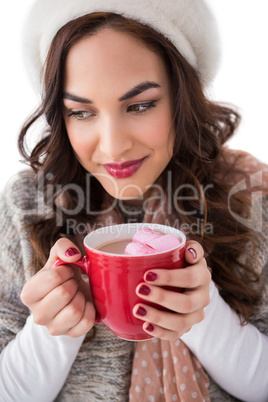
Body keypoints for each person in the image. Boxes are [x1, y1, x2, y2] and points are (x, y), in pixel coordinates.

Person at [0, 0, 267, 401]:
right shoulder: (26, 206)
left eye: (140, 105)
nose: (113, 146)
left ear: (183, 97)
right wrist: (56, 327)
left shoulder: (249, 199)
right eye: (81, 112)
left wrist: (202, 312)